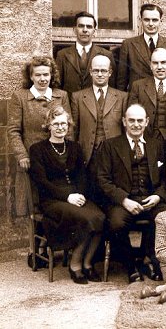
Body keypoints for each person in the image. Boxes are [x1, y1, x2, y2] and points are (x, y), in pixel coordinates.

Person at [29, 106, 105, 284]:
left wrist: (80, 194)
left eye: (63, 123)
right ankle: (75, 265)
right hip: (52, 200)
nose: (60, 127)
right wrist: (67, 197)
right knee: (87, 219)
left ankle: (87, 263)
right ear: (48, 126)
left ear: (69, 125)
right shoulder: (37, 149)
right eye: (55, 124)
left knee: (101, 217)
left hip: (76, 196)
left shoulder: (75, 147)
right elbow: (42, 182)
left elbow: (82, 176)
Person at [97, 104, 166, 283]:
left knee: (165, 217)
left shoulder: (156, 145)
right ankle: (130, 263)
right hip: (124, 201)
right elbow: (103, 180)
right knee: (116, 223)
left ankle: (150, 258)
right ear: (124, 122)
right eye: (131, 120)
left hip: (150, 198)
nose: (136, 124)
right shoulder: (110, 146)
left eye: (140, 120)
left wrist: (158, 196)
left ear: (146, 122)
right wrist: (124, 200)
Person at [7, 56, 71, 219]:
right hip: (33, 160)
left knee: (59, 200)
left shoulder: (61, 96)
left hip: (57, 158)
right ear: (31, 76)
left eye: (46, 75)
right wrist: (22, 155)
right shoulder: (20, 97)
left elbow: (68, 127)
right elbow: (13, 130)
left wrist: (67, 155)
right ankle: (40, 240)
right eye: (38, 75)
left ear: (52, 75)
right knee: (36, 205)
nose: (43, 79)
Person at [71, 55, 128, 199]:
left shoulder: (122, 97)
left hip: (114, 156)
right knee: (91, 195)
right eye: (96, 70)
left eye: (103, 70)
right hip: (88, 155)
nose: (100, 74)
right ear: (90, 72)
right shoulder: (77, 97)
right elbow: (73, 129)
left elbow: (126, 129)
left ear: (110, 73)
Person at [128, 47, 166, 146]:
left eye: (163, 62)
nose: (159, 67)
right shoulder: (138, 86)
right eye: (155, 63)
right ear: (150, 65)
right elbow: (130, 117)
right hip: (146, 140)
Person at [117, 3, 166, 91]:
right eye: (147, 20)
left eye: (154, 20)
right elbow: (122, 80)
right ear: (140, 20)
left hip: (163, 97)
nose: (150, 24)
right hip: (138, 98)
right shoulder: (128, 44)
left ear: (160, 21)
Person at [55, 11, 117, 95]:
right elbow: (57, 87)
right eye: (81, 26)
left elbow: (112, 87)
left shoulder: (106, 55)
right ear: (74, 30)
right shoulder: (62, 55)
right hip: (70, 105)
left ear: (94, 32)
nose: (85, 30)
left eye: (89, 27)